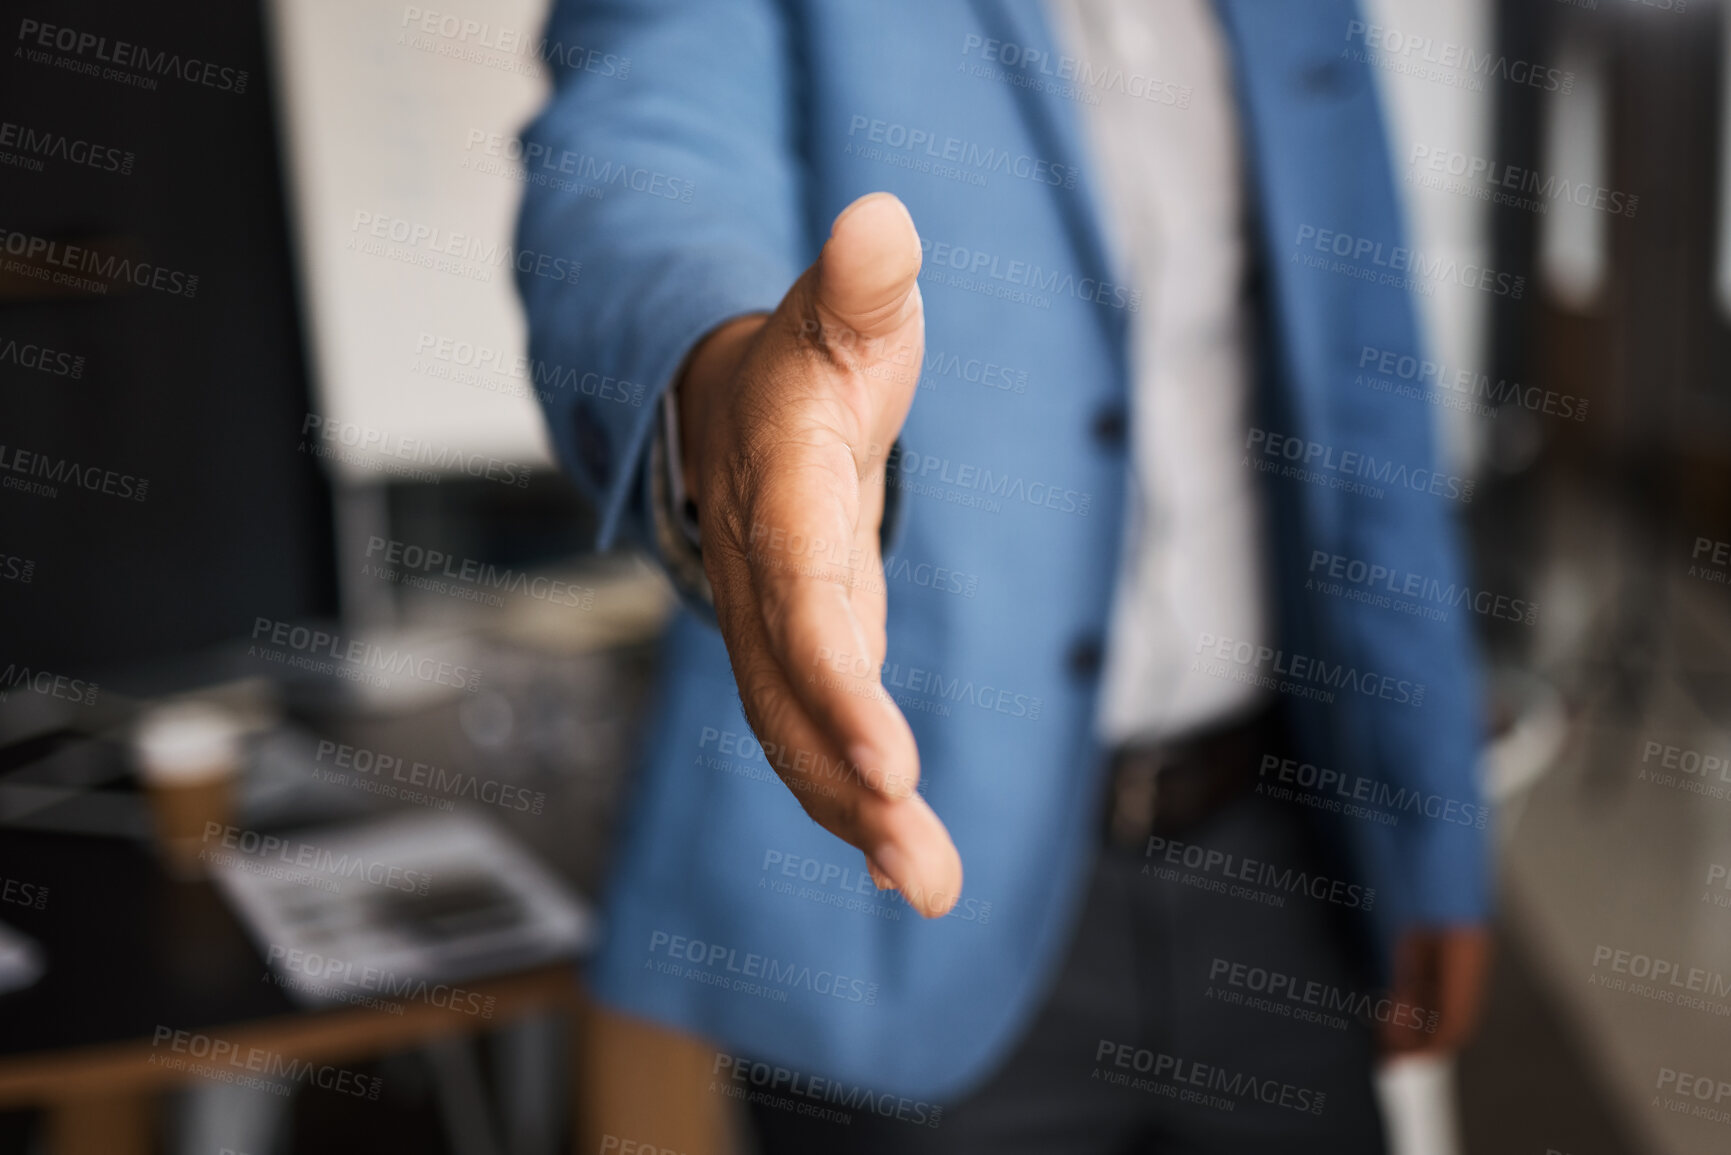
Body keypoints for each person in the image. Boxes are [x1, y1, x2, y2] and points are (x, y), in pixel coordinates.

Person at [516, 1, 1492, 1151]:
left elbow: (1369, 396)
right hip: (903, 898)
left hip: (1278, 859)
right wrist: (725, 388)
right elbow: (637, 159)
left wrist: (1431, 824)